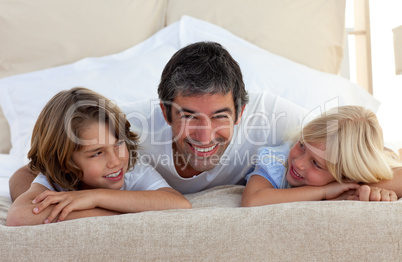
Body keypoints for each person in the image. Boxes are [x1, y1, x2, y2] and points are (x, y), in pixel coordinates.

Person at [9, 41, 402, 199]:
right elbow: (26, 176)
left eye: (220, 117)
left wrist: (368, 186)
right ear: (164, 111)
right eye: (187, 116)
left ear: (242, 112)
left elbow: (364, 156)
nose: (204, 135)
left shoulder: (276, 118)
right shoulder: (125, 132)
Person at [6, 87, 191, 226]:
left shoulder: (133, 170)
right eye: (97, 153)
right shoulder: (54, 180)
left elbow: (178, 203)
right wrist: (116, 212)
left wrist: (95, 197)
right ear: (65, 163)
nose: (115, 161)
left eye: (118, 144)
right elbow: (18, 216)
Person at [241, 106, 402, 207]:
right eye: (302, 145)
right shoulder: (277, 161)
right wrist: (324, 192)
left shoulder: (352, 171)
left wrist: (373, 190)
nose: (298, 163)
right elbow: (252, 200)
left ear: (345, 178)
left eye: (316, 164)